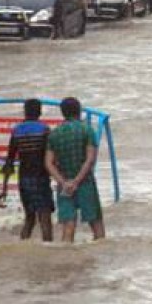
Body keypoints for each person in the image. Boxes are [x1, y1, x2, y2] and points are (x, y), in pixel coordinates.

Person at [46, 97, 105, 242]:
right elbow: (90, 159)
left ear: (63, 113)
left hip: (64, 185)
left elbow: (48, 163)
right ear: (79, 111)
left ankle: (66, 261)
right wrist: (77, 181)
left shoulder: (54, 134)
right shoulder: (87, 130)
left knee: (68, 225)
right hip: (85, 182)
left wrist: (64, 182)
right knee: (96, 226)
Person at [0, 99, 54, 242]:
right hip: (41, 178)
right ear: (40, 112)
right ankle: (48, 249)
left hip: (24, 179)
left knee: (29, 218)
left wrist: (4, 188)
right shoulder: (44, 130)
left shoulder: (17, 131)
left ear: (25, 111)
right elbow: (52, 157)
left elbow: (9, 161)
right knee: (45, 217)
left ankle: (23, 243)